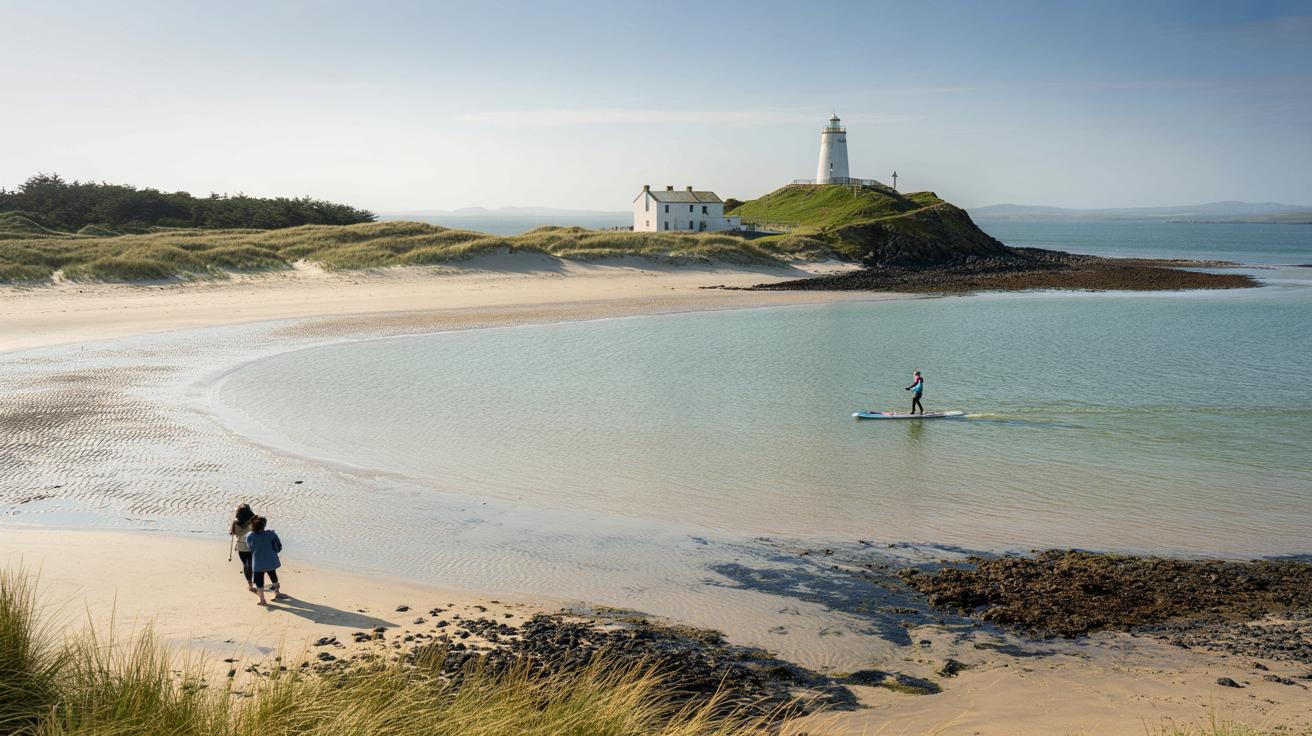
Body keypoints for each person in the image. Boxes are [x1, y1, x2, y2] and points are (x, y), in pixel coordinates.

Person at [245, 516, 289, 605]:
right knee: (273, 576)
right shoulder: (271, 534)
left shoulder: (249, 536)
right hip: (271, 560)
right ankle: (277, 593)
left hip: (258, 562)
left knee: (259, 581)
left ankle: (262, 599)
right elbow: (278, 545)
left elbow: (249, 547)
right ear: (264, 525)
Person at [229, 504, 256, 592]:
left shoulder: (235, 522)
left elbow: (231, 533)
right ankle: (255, 581)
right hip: (252, 546)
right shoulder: (254, 521)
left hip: (241, 546)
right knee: (253, 565)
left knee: (246, 565)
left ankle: (250, 584)